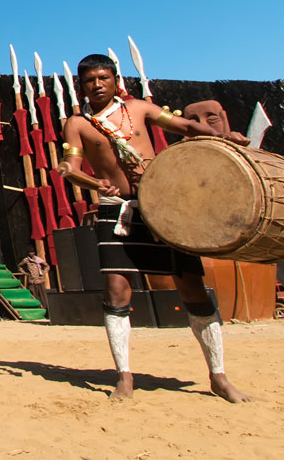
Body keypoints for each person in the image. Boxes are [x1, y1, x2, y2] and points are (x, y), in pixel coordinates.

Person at [61, 53, 251, 402]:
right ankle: (124, 376)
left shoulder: (141, 109)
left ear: (114, 79)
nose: (97, 84)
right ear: (82, 85)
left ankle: (219, 376)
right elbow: (69, 168)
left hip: (163, 207)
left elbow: (187, 128)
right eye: (90, 80)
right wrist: (93, 183)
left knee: (192, 287)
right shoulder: (77, 124)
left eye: (103, 77)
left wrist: (222, 136)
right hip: (116, 212)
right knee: (117, 292)